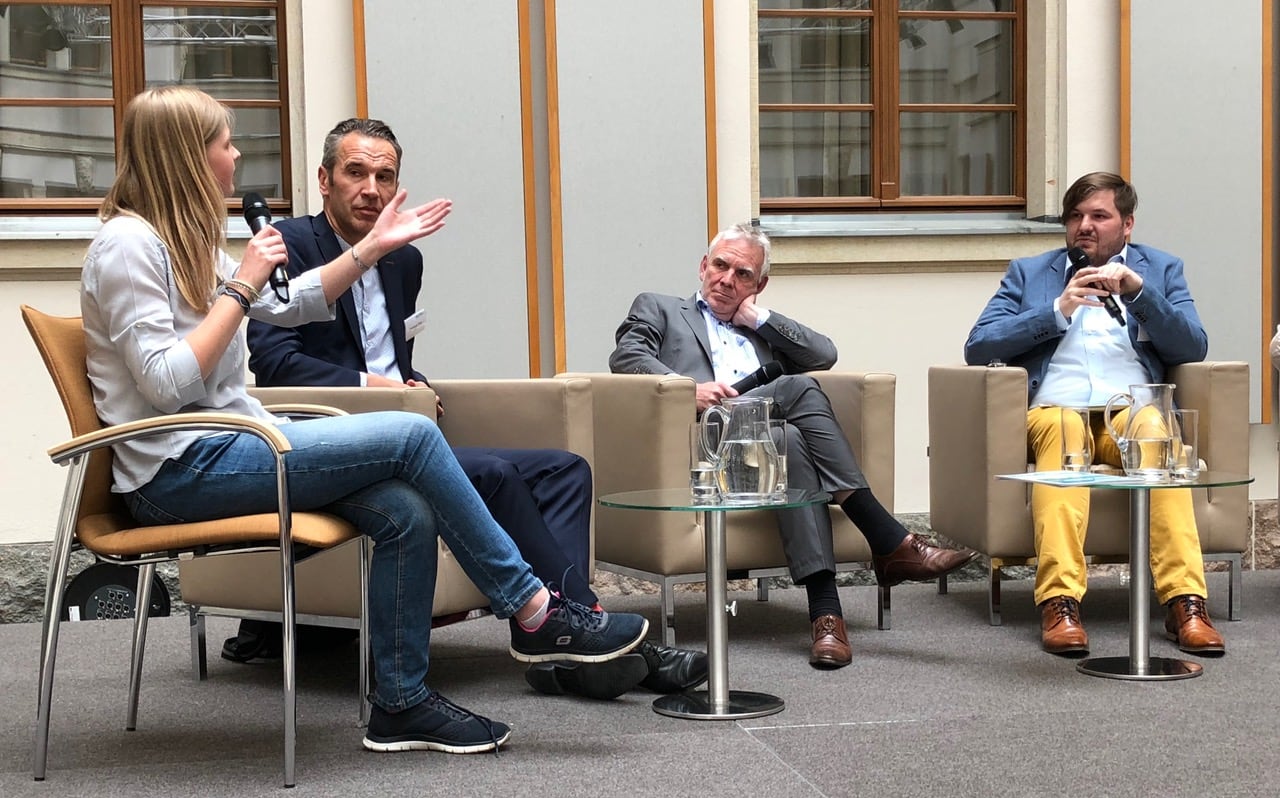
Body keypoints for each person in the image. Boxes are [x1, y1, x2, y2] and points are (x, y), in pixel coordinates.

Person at [81, 86, 650, 756]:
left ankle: (401, 704)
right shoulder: (126, 246)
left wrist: (371, 249)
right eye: (225, 143)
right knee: (410, 433)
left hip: (226, 447)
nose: (235, 156)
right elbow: (167, 381)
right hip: (177, 472)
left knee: (404, 509)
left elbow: (292, 306)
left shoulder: (187, 241)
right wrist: (241, 286)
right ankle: (534, 611)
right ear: (188, 156)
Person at [243, 117, 707, 701]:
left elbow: (392, 351)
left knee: (565, 469)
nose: (371, 189)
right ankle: (587, 639)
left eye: (384, 176)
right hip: (333, 440)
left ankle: (567, 636)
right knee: (494, 473)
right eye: (355, 172)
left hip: (408, 430)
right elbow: (275, 364)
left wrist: (412, 383)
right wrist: (374, 386)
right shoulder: (288, 246)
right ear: (325, 179)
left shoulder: (402, 260)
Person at [610, 222, 976, 668]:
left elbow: (824, 354)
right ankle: (887, 537)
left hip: (765, 449)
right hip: (704, 440)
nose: (727, 279)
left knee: (791, 436)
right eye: (720, 266)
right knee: (799, 388)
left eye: (743, 274)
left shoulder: (764, 329)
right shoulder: (660, 308)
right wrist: (689, 390)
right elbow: (627, 356)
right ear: (703, 266)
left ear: (759, 285)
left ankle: (827, 618)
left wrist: (756, 319)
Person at [964, 171, 1224, 657]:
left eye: (1099, 216)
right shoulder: (1030, 273)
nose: (1085, 225)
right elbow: (978, 346)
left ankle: (1185, 602)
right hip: (1054, 409)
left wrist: (1139, 295)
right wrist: (1056, 312)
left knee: (1156, 431)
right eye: (1076, 216)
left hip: (1128, 409)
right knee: (1064, 431)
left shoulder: (1161, 270)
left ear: (1127, 224)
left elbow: (1193, 344)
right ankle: (1059, 603)